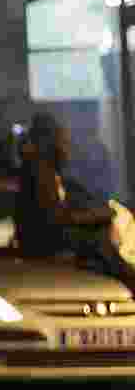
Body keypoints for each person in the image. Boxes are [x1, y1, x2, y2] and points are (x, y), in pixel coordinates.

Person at [15, 113, 131, 284]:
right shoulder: (39, 173)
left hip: (54, 243)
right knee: (107, 250)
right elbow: (52, 218)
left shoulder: (52, 174)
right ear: (50, 143)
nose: (68, 149)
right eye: (63, 142)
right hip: (47, 247)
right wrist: (93, 216)